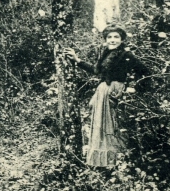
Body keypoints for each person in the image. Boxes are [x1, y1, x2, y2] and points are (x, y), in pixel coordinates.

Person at [64, 25, 150, 167]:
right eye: (109, 37)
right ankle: (101, 163)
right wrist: (77, 60)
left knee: (113, 126)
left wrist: (134, 89)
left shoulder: (126, 55)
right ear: (105, 39)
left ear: (122, 39)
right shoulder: (105, 53)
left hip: (114, 92)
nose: (113, 40)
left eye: (116, 37)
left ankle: (117, 162)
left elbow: (145, 72)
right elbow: (95, 70)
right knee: (100, 125)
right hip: (102, 92)